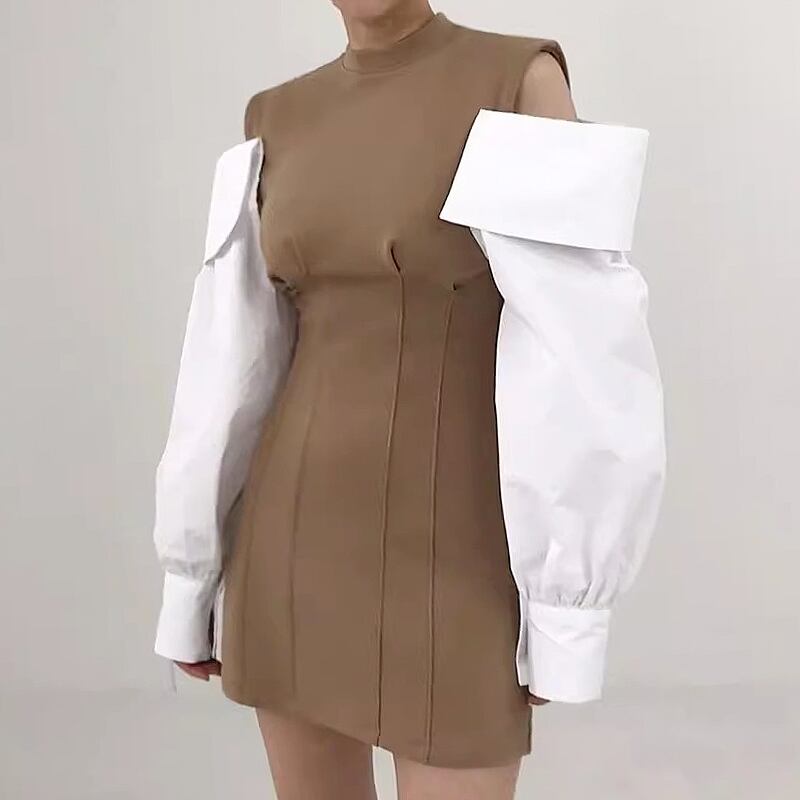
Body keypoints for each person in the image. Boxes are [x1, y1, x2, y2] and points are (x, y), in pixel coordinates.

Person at [151, 2, 666, 798]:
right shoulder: (275, 116)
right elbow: (232, 358)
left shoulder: (518, 78)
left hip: (457, 551)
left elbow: (584, 351)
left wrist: (566, 612)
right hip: (289, 541)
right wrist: (192, 575)